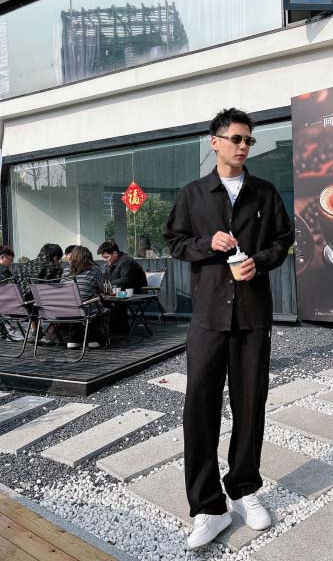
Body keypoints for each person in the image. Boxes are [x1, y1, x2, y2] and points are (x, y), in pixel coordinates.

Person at [164, 108, 294, 549]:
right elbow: (175, 241)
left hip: (253, 316)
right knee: (199, 409)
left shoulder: (265, 193)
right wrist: (208, 243)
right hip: (207, 317)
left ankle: (243, 489)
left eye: (248, 140)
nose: (243, 146)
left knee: (250, 405)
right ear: (215, 142)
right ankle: (208, 507)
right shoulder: (193, 194)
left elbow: (283, 240)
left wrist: (261, 261)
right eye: (236, 138)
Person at [13, 243, 63, 341]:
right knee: (66, 302)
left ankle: (35, 331)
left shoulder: (26, 265)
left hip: (16, 308)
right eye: (59, 259)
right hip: (41, 307)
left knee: (31, 297)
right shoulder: (54, 269)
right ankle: (50, 334)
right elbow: (56, 292)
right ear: (55, 258)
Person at [61, 245, 106, 349]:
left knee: (76, 303)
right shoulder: (94, 269)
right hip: (86, 308)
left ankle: (74, 339)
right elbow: (100, 288)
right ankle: (94, 339)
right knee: (96, 304)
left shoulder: (66, 270)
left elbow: (62, 289)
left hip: (66, 309)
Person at [97, 241, 147, 333]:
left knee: (109, 299)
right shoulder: (111, 262)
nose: (105, 260)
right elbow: (106, 277)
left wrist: (107, 284)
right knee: (101, 298)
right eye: (104, 258)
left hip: (135, 292)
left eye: (107, 257)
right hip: (119, 291)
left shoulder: (127, 261)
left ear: (115, 253)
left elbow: (126, 280)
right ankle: (111, 327)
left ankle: (118, 328)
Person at [0, 246, 24, 342]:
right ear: (2, 257)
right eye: (10, 259)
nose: (11, 262)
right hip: (8, 307)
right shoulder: (5, 271)